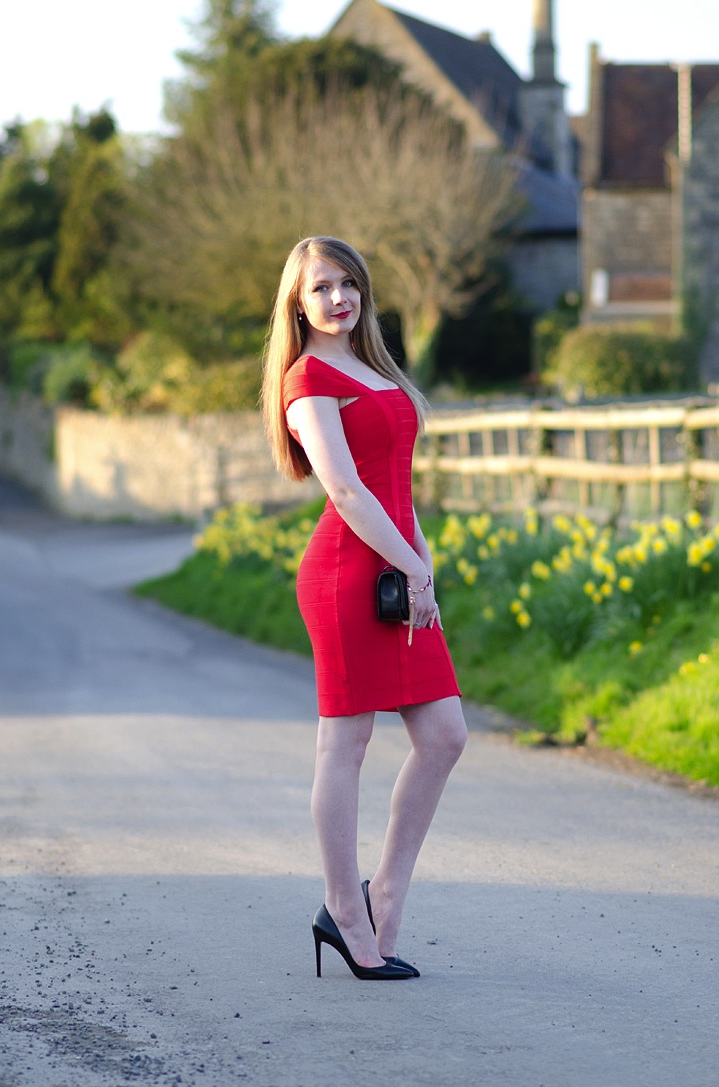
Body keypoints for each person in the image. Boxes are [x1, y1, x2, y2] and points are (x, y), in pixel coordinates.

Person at [262, 236, 467, 980]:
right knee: (343, 746)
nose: (338, 297)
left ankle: (386, 895)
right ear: (297, 302)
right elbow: (346, 490)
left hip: (401, 567)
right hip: (349, 576)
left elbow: (396, 482)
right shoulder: (306, 378)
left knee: (443, 734)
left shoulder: (370, 367)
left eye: (348, 283)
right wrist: (410, 564)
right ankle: (344, 908)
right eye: (321, 287)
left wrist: (423, 563)